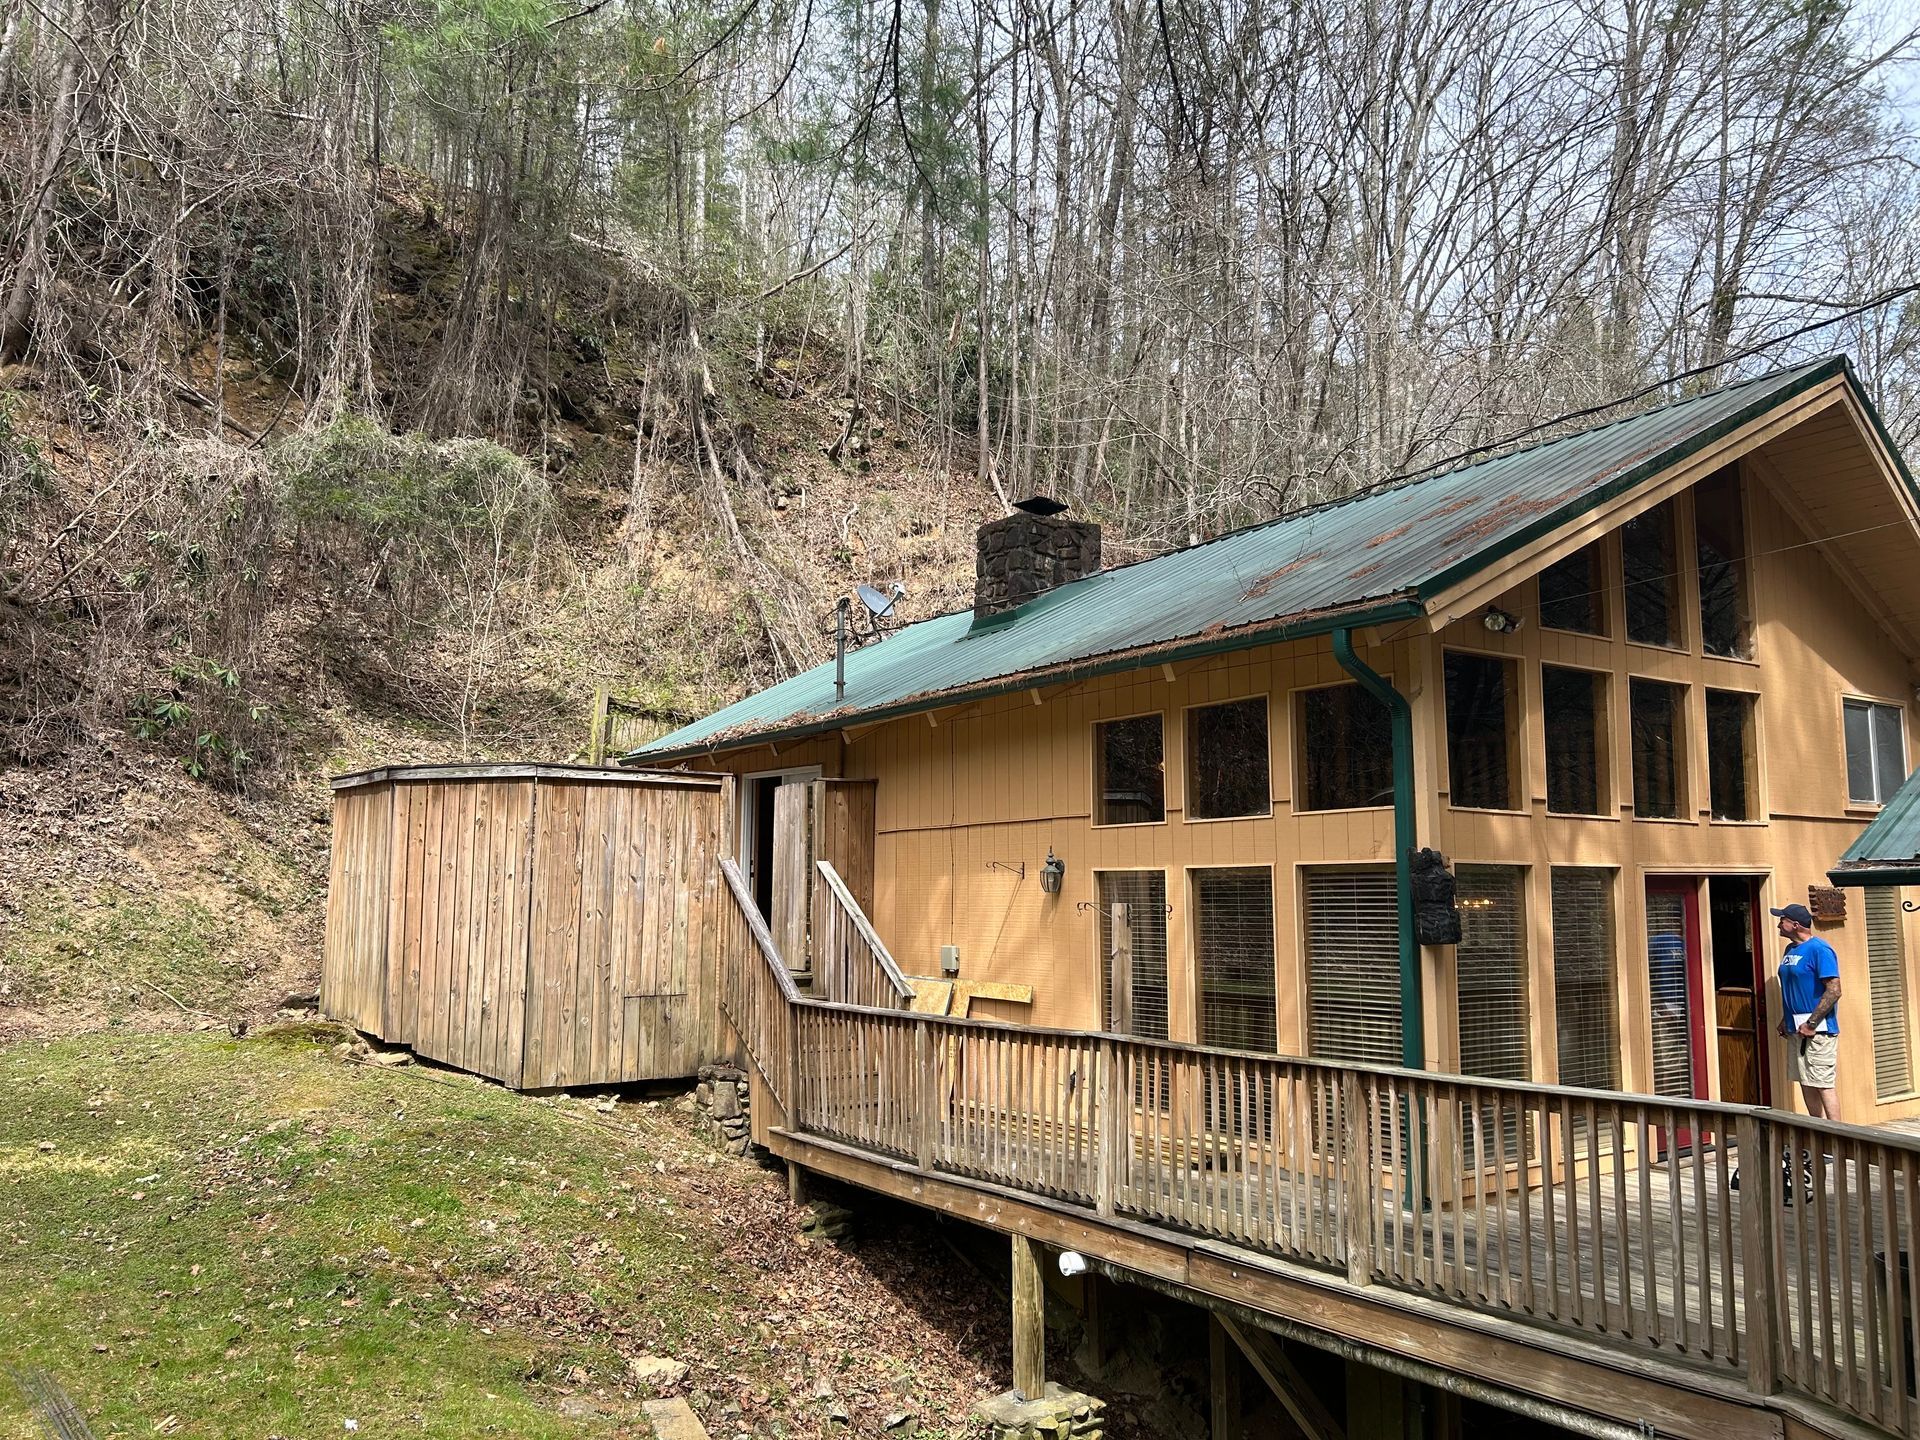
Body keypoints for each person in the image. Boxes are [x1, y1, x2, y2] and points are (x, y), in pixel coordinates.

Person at [1772, 902, 1842, 1122]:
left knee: (1822, 1083)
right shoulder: (1790, 950)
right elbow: (1794, 988)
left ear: (1795, 924)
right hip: (1796, 1030)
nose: (1778, 925)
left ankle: (1838, 1138)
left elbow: (1834, 990)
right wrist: (1786, 1018)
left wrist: (1811, 1023)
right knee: (1805, 1080)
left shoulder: (1820, 950)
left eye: (1781, 920)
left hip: (1818, 1032)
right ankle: (1818, 1134)